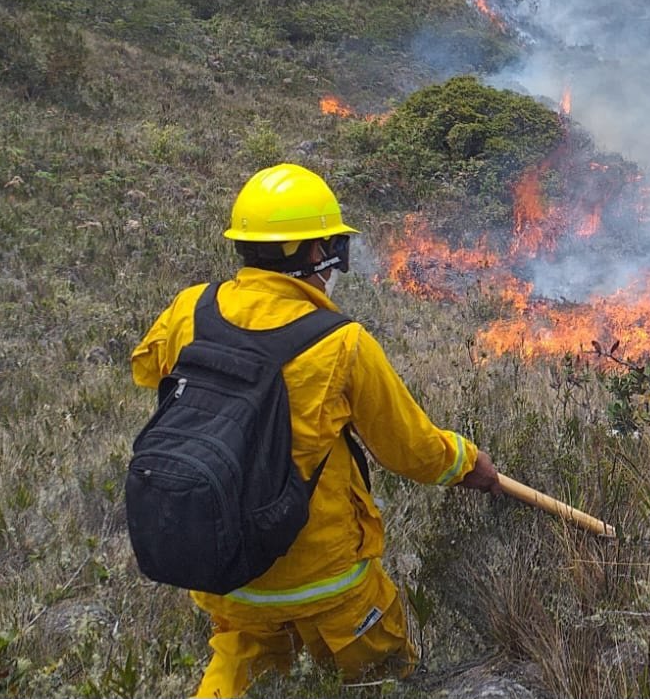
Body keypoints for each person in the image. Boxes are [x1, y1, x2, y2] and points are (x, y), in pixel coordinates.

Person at [131, 163, 509, 698]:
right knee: (380, 680)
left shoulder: (188, 309)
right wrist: (469, 463)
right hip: (326, 583)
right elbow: (412, 450)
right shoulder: (340, 343)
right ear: (315, 252)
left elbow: (152, 374)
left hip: (222, 570)